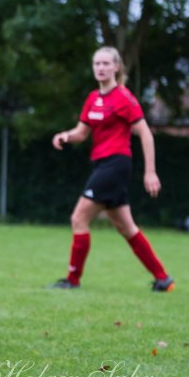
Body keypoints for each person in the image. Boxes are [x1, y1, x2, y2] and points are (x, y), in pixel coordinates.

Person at [49, 46, 174, 291]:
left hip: (115, 164)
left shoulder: (124, 98)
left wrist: (150, 171)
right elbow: (82, 132)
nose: (101, 68)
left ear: (117, 67)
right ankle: (163, 279)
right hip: (103, 164)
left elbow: (146, 133)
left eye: (106, 63)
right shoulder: (93, 98)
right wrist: (65, 135)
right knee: (126, 227)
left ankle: (72, 280)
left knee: (78, 218)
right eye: (97, 64)